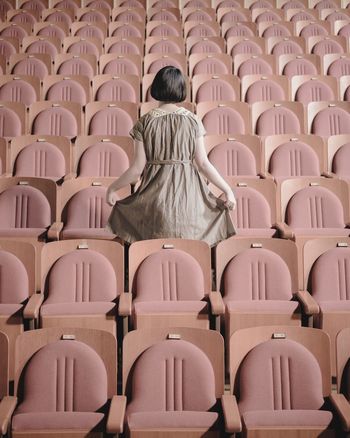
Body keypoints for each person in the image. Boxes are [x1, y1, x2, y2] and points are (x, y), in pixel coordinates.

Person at [106, 66, 236, 247]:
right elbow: (203, 165)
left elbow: (136, 171)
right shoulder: (193, 121)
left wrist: (112, 188)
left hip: (155, 201)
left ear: (156, 88)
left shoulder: (145, 122)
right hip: (190, 200)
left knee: (155, 252)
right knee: (188, 253)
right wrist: (228, 190)